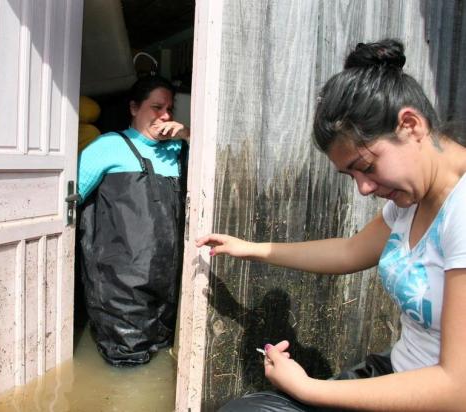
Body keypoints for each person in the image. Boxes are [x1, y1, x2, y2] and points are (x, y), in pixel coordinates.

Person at [197, 39, 466, 410]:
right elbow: (350, 250)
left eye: (367, 167)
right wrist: (251, 249)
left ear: (411, 125)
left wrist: (307, 388)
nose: (364, 188)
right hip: (396, 373)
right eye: (350, 175)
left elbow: (457, 388)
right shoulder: (413, 196)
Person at [77, 75, 190, 366]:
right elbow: (68, 199)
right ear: (133, 108)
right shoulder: (107, 147)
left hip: (167, 287)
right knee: (127, 364)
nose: (165, 115)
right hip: (120, 290)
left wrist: (188, 136)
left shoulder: (179, 151)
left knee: (163, 353)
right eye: (156, 107)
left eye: (169, 108)